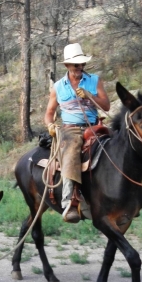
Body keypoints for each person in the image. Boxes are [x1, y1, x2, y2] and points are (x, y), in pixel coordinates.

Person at [44, 42, 111, 223]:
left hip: (94, 125)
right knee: (72, 150)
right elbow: (49, 113)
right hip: (70, 128)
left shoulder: (95, 81)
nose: (79, 67)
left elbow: (106, 106)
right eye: (76, 65)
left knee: (117, 143)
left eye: (82, 64)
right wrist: (50, 125)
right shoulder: (58, 87)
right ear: (67, 66)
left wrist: (90, 96)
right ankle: (69, 202)